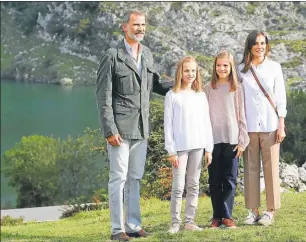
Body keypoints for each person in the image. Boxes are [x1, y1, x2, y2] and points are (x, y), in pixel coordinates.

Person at [96, 10, 172, 241]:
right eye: (135, 25)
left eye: (143, 25)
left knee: (135, 177)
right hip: (119, 129)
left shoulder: (147, 54)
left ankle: (133, 225)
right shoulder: (112, 55)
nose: (140, 29)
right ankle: (117, 230)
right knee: (118, 178)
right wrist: (110, 130)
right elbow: (103, 96)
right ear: (124, 27)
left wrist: (182, 84)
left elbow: (156, 85)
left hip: (141, 127)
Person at [237, 30, 287, 226]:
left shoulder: (274, 67)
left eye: (263, 43)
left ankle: (270, 211)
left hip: (270, 125)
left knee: (271, 169)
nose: (260, 47)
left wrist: (281, 124)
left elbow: (280, 97)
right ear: (249, 46)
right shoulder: (241, 69)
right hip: (249, 127)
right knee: (250, 169)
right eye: (256, 43)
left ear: (267, 45)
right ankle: (253, 210)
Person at [163, 56, 213, 234]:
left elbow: (206, 122)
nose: (190, 74)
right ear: (180, 72)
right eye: (186, 71)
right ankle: (175, 223)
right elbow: (168, 125)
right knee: (178, 187)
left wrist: (209, 148)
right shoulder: (172, 95)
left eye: (193, 71)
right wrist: (171, 150)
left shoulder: (200, 95)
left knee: (193, 185)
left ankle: (190, 221)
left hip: (198, 146)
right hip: (180, 148)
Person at [203, 50, 250, 229]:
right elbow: (204, 117)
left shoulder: (237, 88)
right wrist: (205, 143)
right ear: (214, 67)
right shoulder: (208, 88)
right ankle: (216, 216)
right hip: (213, 140)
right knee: (214, 180)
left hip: (232, 140)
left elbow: (242, 115)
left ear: (231, 67)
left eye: (225, 65)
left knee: (230, 179)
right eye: (219, 65)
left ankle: (227, 216)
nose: (222, 69)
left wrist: (242, 140)